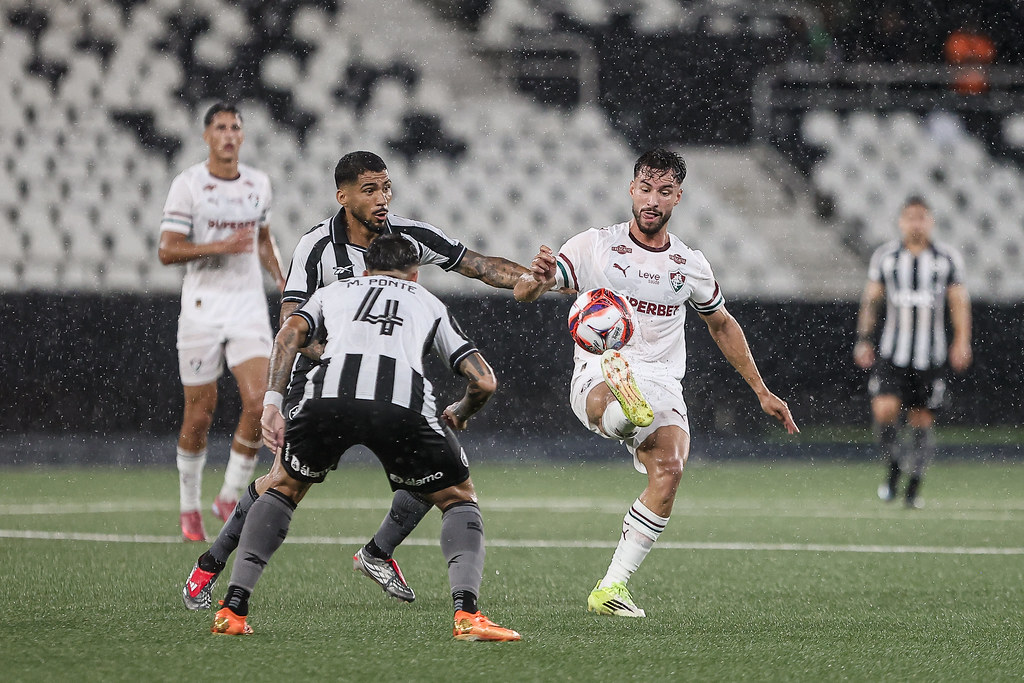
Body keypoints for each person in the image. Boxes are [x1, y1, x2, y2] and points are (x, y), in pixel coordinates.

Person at [183, 151, 528, 609]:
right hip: (322, 379)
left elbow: (479, 265)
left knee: (436, 461)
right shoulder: (315, 247)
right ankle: (211, 564)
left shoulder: (408, 239)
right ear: (342, 195)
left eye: (386, 188)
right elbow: (291, 324)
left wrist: (541, 278)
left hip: (386, 378)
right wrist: (336, 355)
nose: (383, 199)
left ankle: (377, 552)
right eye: (370, 190)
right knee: (279, 484)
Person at [514, 148, 799, 617]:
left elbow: (722, 325)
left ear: (677, 197)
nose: (652, 200)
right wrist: (537, 277)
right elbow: (525, 291)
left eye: (663, 192)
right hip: (601, 366)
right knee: (614, 399)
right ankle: (625, 410)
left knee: (670, 471)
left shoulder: (689, 264)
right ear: (632, 189)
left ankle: (611, 588)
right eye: (645, 189)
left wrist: (762, 391)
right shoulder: (594, 245)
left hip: (662, 377)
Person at [209, 234, 520, 641]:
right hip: (401, 406)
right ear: (414, 274)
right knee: (457, 497)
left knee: (283, 488)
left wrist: (271, 403)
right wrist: (460, 413)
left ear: (367, 269)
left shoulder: (332, 292)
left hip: (327, 400)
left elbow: (287, 336)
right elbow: (484, 381)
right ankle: (467, 615)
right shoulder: (427, 302)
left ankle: (233, 609)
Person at [158, 102, 286, 542]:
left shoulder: (258, 184)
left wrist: (283, 280)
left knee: (259, 403)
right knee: (200, 412)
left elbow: (264, 241)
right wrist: (219, 246)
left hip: (247, 308)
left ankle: (229, 495)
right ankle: (188, 505)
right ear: (206, 136)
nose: (229, 134)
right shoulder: (189, 185)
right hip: (201, 310)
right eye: (220, 128)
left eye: (235, 127)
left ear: (242, 136)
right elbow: (167, 250)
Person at [853, 196, 972, 509]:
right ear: (900, 222)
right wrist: (864, 338)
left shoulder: (946, 258)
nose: (916, 223)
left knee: (921, 419)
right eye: (910, 217)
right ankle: (894, 465)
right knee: (883, 410)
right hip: (894, 354)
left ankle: (914, 486)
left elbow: (959, 301)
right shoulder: (886, 257)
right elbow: (872, 300)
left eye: (921, 217)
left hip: (929, 357)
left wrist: (962, 340)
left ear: (930, 221)